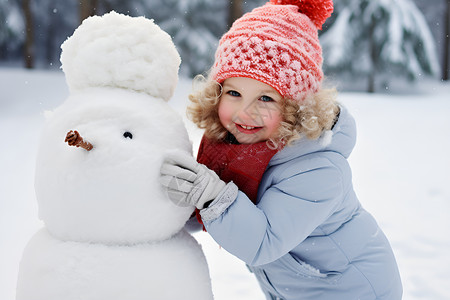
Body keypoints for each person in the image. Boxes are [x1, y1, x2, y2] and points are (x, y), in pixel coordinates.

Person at [159, 0, 403, 299]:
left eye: (266, 99)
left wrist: (210, 194)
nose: (245, 113)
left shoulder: (319, 171)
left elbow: (261, 242)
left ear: (296, 108)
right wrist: (178, 199)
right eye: (234, 93)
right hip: (296, 286)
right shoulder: (238, 143)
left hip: (349, 289)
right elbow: (206, 213)